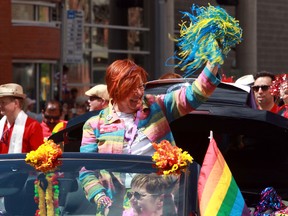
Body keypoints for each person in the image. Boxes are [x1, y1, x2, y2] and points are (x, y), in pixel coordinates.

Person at [79, 59, 220, 214]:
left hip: (160, 204)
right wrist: (99, 196)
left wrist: (213, 60)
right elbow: (86, 169)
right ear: (115, 89)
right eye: (131, 88)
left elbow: (195, 94)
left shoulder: (157, 106)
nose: (139, 93)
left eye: (140, 86)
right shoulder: (94, 125)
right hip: (116, 207)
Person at [0, 83, 44, 153]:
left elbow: (39, 158)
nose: (0, 106)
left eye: (3, 102)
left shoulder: (33, 126)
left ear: (16, 103)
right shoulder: (1, 124)